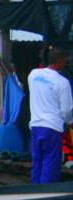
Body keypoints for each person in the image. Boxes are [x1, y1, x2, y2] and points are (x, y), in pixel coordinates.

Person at [27, 47, 73, 183]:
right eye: (65, 61)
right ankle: (46, 195)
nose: (66, 64)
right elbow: (67, 110)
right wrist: (70, 121)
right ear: (59, 61)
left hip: (36, 126)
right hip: (52, 127)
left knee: (38, 162)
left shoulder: (33, 75)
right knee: (50, 163)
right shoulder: (62, 82)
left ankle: (34, 193)